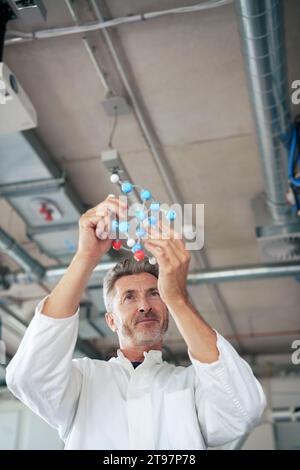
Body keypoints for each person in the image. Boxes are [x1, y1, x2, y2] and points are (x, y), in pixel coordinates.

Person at [6, 196, 266, 450]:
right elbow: (29, 377)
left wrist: (177, 297)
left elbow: (244, 409)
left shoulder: (192, 386)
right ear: (110, 321)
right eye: (129, 297)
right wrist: (86, 256)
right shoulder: (83, 381)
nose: (144, 305)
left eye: (154, 294)